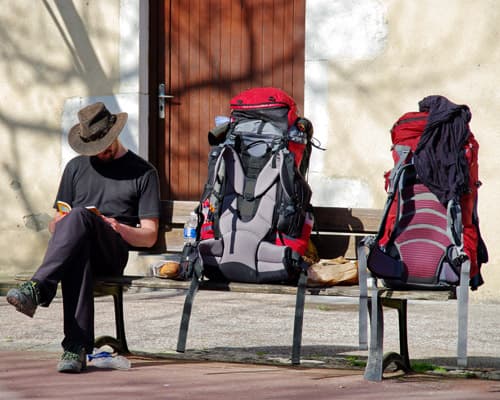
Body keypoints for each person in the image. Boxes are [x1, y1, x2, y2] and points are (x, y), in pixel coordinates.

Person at [6, 102, 161, 373]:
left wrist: (116, 226)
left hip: (112, 251)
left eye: (105, 144)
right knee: (76, 242)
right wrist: (63, 223)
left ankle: (39, 287)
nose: (100, 151)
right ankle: (75, 348)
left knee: (79, 218)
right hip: (78, 248)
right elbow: (56, 224)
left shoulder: (144, 172)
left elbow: (148, 236)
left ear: (115, 134)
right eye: (94, 147)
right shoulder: (76, 168)